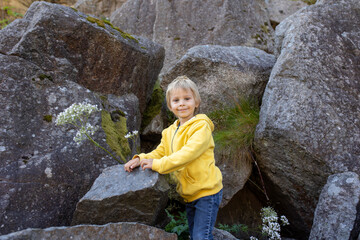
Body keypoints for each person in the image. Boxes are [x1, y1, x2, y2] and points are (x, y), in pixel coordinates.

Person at [124, 75, 223, 240]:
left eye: (187, 98)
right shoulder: (169, 131)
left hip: (207, 192)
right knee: (196, 235)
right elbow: (160, 152)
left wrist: (158, 164)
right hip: (189, 194)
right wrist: (140, 158)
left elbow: (187, 154)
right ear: (170, 106)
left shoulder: (201, 127)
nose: (182, 103)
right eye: (176, 100)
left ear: (196, 102)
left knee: (201, 237)